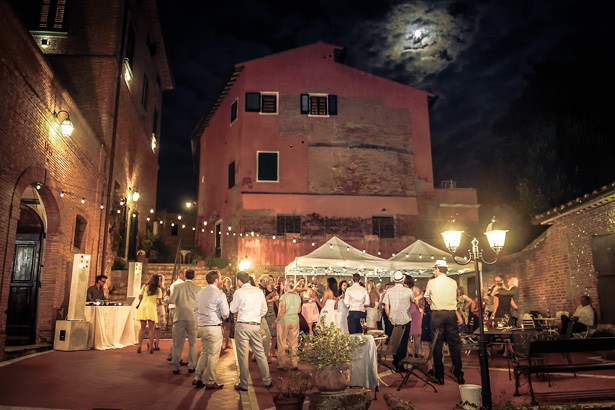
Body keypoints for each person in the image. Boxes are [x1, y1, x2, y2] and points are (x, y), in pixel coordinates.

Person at [230, 270, 272, 391]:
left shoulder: (239, 292)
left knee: (242, 355)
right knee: (260, 353)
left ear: (239, 280)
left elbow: (232, 309)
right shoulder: (258, 291)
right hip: (255, 324)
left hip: (243, 324)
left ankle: (243, 383)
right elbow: (264, 310)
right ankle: (267, 380)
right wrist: (256, 316)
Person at [425, 260, 465, 385]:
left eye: (434, 270)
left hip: (437, 314)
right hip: (451, 314)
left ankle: (440, 376)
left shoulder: (431, 282)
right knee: (454, 345)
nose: (434, 272)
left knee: (437, 344)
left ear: (437, 269)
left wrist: (431, 302)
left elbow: (427, 297)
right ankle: (459, 374)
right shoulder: (453, 282)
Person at [193, 270, 229, 389]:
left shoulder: (200, 293)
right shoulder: (219, 294)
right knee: (213, 355)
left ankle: (197, 377)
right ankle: (210, 380)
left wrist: (199, 322)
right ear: (216, 280)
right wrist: (222, 316)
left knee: (204, 352)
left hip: (202, 326)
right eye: (220, 278)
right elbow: (225, 313)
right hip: (214, 326)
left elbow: (195, 311)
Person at [168, 269, 202, 374]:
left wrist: (165, 298)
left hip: (179, 316)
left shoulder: (178, 287)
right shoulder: (198, 288)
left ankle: (175, 366)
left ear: (185, 276)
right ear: (194, 276)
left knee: (177, 342)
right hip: (192, 317)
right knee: (193, 342)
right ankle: (191, 366)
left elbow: (171, 300)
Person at [383, 272, 415, 371]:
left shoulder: (389, 291)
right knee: (403, 343)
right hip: (405, 319)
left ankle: (396, 362)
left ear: (394, 280)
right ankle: (400, 365)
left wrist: (389, 317)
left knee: (394, 342)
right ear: (403, 280)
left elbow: (386, 306)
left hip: (393, 319)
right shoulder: (409, 291)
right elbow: (413, 302)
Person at [272, 280, 301, 370]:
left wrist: (276, 321)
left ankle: (282, 364)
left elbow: (282, 311)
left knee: (281, 342)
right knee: (294, 343)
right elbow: (299, 311)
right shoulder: (298, 297)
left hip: (284, 321)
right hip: (295, 321)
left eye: (285, 286)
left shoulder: (284, 297)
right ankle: (295, 363)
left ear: (287, 287)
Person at [136, 274, 162, 354]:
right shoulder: (158, 289)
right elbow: (159, 301)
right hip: (151, 306)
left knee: (142, 328)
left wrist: (143, 300)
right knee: (151, 329)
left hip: (143, 306)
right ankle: (151, 346)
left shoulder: (145, 287)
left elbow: (140, 296)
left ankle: (139, 346)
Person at [166, 270, 186, 361]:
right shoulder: (181, 285)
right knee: (179, 335)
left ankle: (172, 355)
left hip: (172, 309)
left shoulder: (174, 284)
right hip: (177, 309)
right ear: (180, 274)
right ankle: (176, 357)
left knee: (177, 335)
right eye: (185, 274)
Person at [406, 275, 423, 357]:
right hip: (416, 312)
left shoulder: (405, 290)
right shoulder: (416, 289)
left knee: (408, 334)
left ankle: (409, 352)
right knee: (417, 335)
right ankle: (416, 353)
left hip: (408, 311)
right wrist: (419, 307)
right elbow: (419, 300)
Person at [265, 276, 279, 359]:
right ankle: (265, 351)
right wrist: (271, 297)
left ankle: (272, 349)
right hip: (265, 313)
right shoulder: (264, 290)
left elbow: (277, 301)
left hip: (272, 312)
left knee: (275, 333)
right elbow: (263, 300)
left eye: (272, 280)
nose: (271, 281)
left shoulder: (274, 290)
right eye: (269, 280)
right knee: (265, 334)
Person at [221, 276, 234, 349]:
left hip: (230, 310)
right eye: (227, 281)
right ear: (224, 283)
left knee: (228, 327)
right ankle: (221, 343)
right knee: (222, 327)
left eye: (229, 281)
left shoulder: (232, 291)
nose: (228, 283)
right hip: (224, 309)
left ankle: (226, 343)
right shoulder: (222, 290)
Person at [153, 274, 166, 351]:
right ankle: (151, 341)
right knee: (153, 326)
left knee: (159, 327)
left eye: (162, 280)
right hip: (154, 307)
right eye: (159, 279)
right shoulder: (154, 288)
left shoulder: (163, 289)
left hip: (160, 308)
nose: (160, 281)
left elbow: (164, 299)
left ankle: (157, 343)